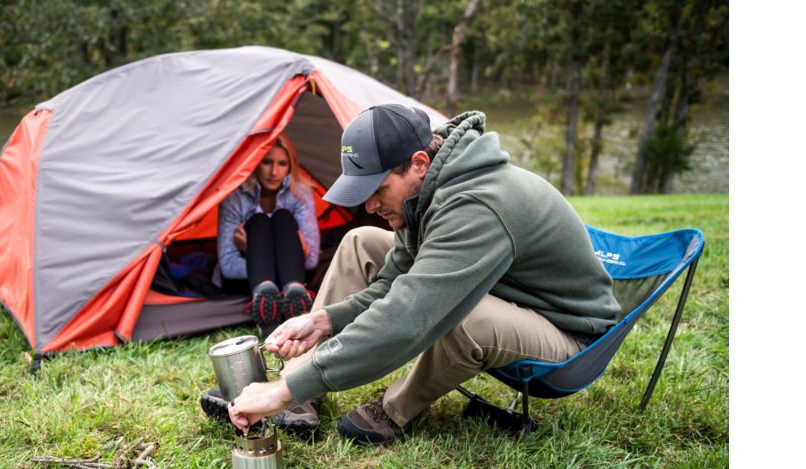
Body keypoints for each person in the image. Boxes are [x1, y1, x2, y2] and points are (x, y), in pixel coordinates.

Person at [227, 104, 621, 446]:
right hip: (512, 298)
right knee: (361, 240)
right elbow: (390, 283)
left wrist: (279, 391)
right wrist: (322, 321)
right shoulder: (425, 192)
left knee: (464, 313)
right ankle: (301, 389)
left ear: (419, 163)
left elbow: (409, 314)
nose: (370, 203)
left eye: (378, 188)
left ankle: (393, 410)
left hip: (568, 338)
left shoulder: (477, 205)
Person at [215, 133, 320, 334]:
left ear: (290, 166)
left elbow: (312, 260)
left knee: (282, 217)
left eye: (282, 164)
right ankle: (265, 303)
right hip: (243, 281)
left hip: (292, 277)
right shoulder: (235, 197)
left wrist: (259, 253)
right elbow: (227, 266)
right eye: (267, 162)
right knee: (259, 222)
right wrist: (257, 254)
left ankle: (293, 300)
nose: (274, 172)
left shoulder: (300, 193)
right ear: (255, 162)